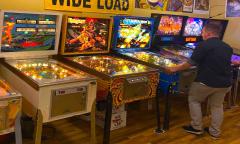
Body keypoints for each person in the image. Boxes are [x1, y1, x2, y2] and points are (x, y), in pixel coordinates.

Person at [166, 22, 233, 139]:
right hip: (224, 83)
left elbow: (190, 63)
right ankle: (215, 132)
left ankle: (196, 127)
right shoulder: (227, 47)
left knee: (194, 100)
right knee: (217, 106)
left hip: (206, 82)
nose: (201, 34)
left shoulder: (203, 45)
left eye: (202, 32)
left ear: (208, 33)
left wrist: (174, 68)